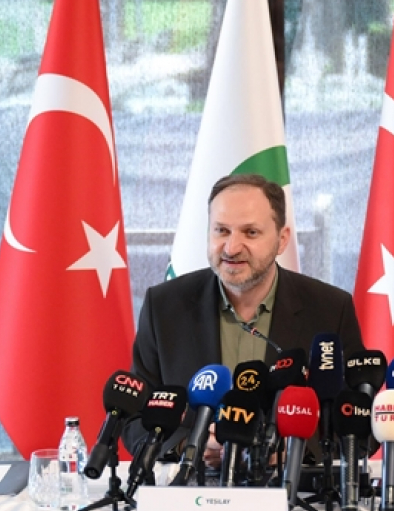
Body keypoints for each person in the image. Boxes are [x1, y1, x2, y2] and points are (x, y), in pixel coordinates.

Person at [127, 173, 364, 456]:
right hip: (194, 480)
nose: (231, 248)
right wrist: (189, 445)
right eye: (221, 231)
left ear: (282, 240)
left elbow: (358, 422)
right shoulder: (164, 307)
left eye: (250, 232)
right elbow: (134, 421)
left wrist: (294, 452)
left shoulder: (330, 309)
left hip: (292, 482)